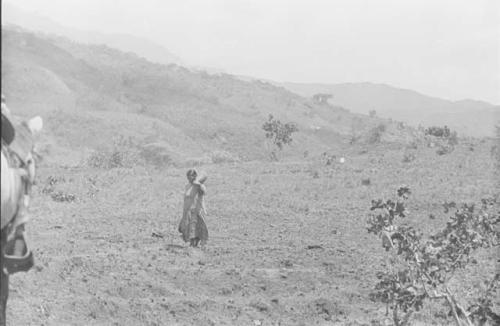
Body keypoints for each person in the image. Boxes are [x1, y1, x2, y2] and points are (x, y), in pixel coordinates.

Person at [178, 168, 208, 247]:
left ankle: (196, 242)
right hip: (188, 209)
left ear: (195, 176)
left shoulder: (199, 185)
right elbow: (186, 198)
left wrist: (198, 184)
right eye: (187, 176)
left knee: (198, 226)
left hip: (197, 209)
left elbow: (203, 192)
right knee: (189, 226)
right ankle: (192, 242)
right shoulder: (187, 186)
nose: (188, 178)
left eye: (190, 176)